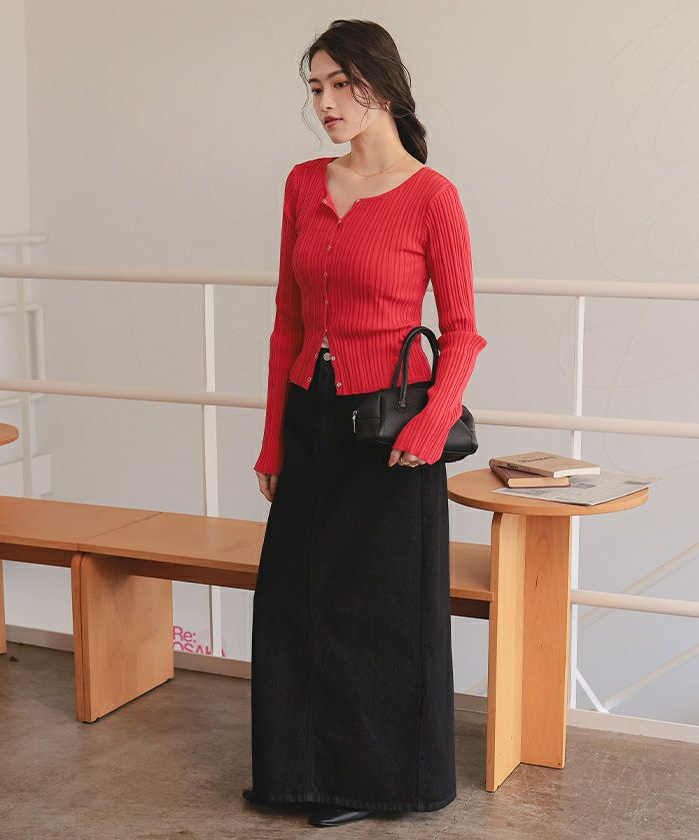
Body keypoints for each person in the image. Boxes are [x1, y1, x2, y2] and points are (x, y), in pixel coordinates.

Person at [246, 18, 487, 829]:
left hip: (390, 434)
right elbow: (287, 321)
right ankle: (296, 774)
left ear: (378, 86)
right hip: (310, 418)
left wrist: (431, 428)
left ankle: (379, 784)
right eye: (315, 87)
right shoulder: (303, 185)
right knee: (294, 599)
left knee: (378, 612)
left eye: (338, 84)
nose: (324, 102)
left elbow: (463, 332)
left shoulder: (432, 197)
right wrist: (272, 439)